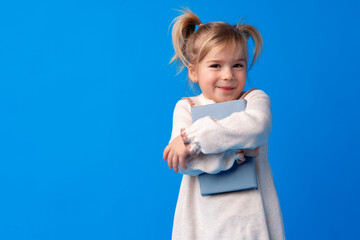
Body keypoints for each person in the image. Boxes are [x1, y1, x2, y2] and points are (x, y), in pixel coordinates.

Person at [163, 8, 285, 240]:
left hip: (251, 219)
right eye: (216, 65)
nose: (228, 75)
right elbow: (183, 161)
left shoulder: (254, 99)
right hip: (201, 221)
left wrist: (194, 139)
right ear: (193, 72)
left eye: (237, 65)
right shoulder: (186, 107)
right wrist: (232, 154)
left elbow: (256, 127)